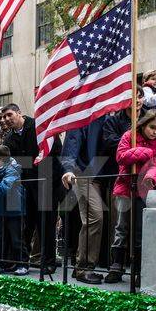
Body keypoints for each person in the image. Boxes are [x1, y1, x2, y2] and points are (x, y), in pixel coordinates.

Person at [1, 103, 64, 275]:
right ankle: (22, 261)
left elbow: (56, 149)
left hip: (46, 182)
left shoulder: (39, 127)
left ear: (19, 113)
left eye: (9, 114)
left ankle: (49, 262)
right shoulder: (8, 140)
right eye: (4, 116)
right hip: (25, 187)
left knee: (46, 224)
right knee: (26, 224)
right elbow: (11, 164)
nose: (7, 119)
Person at [61, 112, 118, 284]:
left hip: (108, 176)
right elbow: (71, 144)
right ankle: (83, 267)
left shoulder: (114, 117)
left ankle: (89, 264)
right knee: (94, 218)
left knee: (109, 221)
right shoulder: (82, 113)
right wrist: (68, 169)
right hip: (84, 173)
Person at [108, 110, 156, 284]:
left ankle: (139, 269)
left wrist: (151, 178)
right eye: (152, 127)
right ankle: (116, 265)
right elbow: (121, 157)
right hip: (125, 186)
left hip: (143, 189)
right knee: (121, 227)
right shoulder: (129, 136)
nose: (155, 132)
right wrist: (145, 152)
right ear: (144, 125)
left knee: (140, 230)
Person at [0, 145, 27, 275]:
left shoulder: (12, 170)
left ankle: (22, 264)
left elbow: (4, 189)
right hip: (1, 208)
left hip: (14, 209)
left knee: (16, 238)